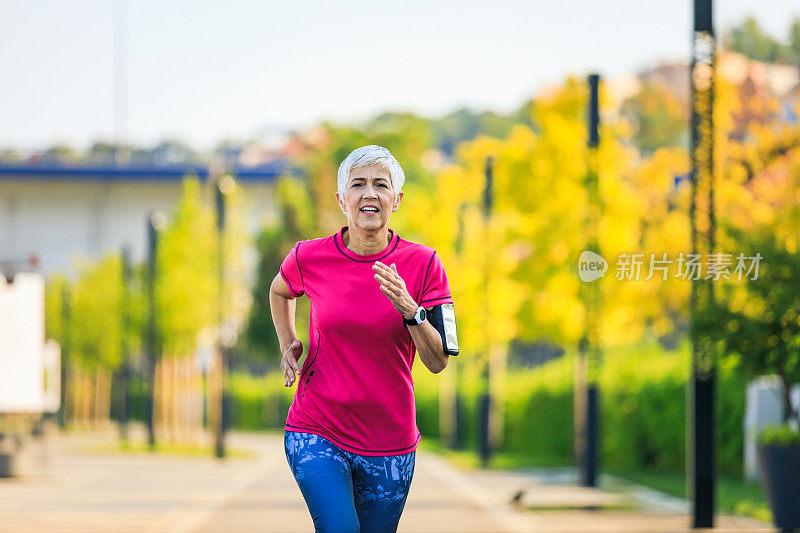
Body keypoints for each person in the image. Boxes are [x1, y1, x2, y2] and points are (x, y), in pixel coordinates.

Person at [269, 145, 458, 533]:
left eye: (380, 185)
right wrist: (288, 342)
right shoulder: (309, 256)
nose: (369, 193)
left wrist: (411, 310)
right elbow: (279, 290)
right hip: (317, 428)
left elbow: (438, 361)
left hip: (390, 442)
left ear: (396, 199)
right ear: (342, 200)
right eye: (358, 184)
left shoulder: (425, 264)